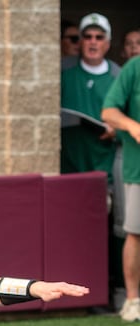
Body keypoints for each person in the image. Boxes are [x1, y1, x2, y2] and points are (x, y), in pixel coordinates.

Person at [61, 13, 122, 310]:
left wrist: (116, 128)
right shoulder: (63, 73)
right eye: (87, 37)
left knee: (108, 234)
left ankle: (106, 292)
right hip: (70, 170)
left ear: (108, 42)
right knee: (72, 235)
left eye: (99, 37)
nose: (93, 42)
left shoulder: (118, 77)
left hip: (105, 170)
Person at [103, 55, 140, 322]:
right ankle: (132, 300)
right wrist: (132, 125)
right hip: (138, 170)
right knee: (135, 233)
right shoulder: (134, 67)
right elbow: (109, 112)